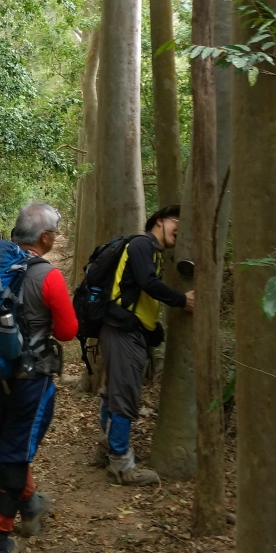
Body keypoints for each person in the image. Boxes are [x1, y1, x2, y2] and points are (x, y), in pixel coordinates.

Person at [0, 203, 78, 553]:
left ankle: (31, 505)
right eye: (55, 232)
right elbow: (68, 331)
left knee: (13, 441)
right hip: (30, 379)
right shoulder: (47, 276)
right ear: (45, 237)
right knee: (15, 454)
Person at [98, 204, 194, 486]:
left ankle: (107, 446)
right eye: (177, 221)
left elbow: (141, 292)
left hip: (126, 330)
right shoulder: (142, 244)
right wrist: (181, 299)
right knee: (124, 394)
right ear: (160, 221)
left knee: (115, 391)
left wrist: (153, 329)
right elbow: (147, 283)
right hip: (121, 331)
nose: (180, 228)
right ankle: (121, 466)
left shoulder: (152, 253)